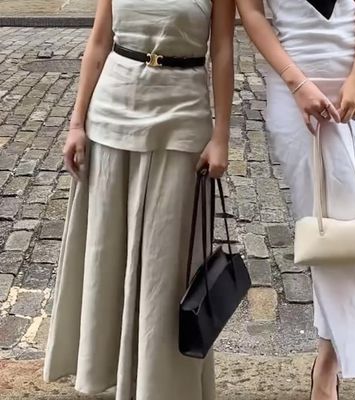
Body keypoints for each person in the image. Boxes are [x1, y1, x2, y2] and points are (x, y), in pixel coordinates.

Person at [43, 0, 235, 399]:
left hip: (183, 116)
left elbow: (222, 50)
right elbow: (99, 42)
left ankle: (160, 387)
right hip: (111, 115)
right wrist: (77, 123)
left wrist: (221, 136)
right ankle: (106, 372)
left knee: (169, 266)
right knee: (105, 252)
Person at [236, 1, 355, 399]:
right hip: (297, 92)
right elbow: (251, 12)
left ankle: (326, 360)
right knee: (327, 229)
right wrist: (296, 83)